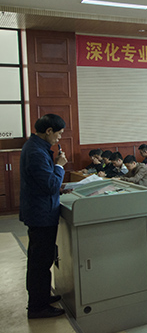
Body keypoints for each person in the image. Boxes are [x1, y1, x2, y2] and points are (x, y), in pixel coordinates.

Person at [20, 114, 68, 319]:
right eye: (59, 133)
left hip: (39, 211)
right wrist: (59, 166)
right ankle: (37, 307)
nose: (59, 138)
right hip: (41, 214)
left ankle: (40, 297)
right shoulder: (36, 152)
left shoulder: (35, 146)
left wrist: (58, 184)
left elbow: (43, 182)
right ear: (49, 131)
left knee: (39, 260)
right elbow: (49, 185)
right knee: (40, 262)